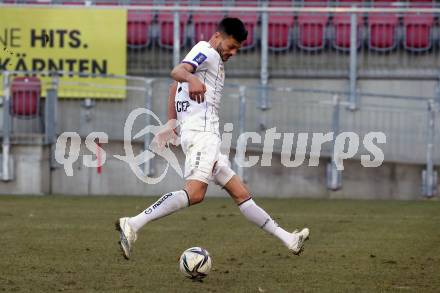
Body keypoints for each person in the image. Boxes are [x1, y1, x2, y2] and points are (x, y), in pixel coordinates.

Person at [116, 17, 309, 259]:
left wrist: (171, 122)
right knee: (195, 193)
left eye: (238, 48)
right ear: (218, 36)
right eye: (232, 45)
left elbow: (173, 86)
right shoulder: (206, 51)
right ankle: (133, 223)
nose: (234, 52)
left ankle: (289, 239)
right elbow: (177, 72)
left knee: (241, 194)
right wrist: (192, 78)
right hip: (202, 136)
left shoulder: (208, 58)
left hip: (204, 137)